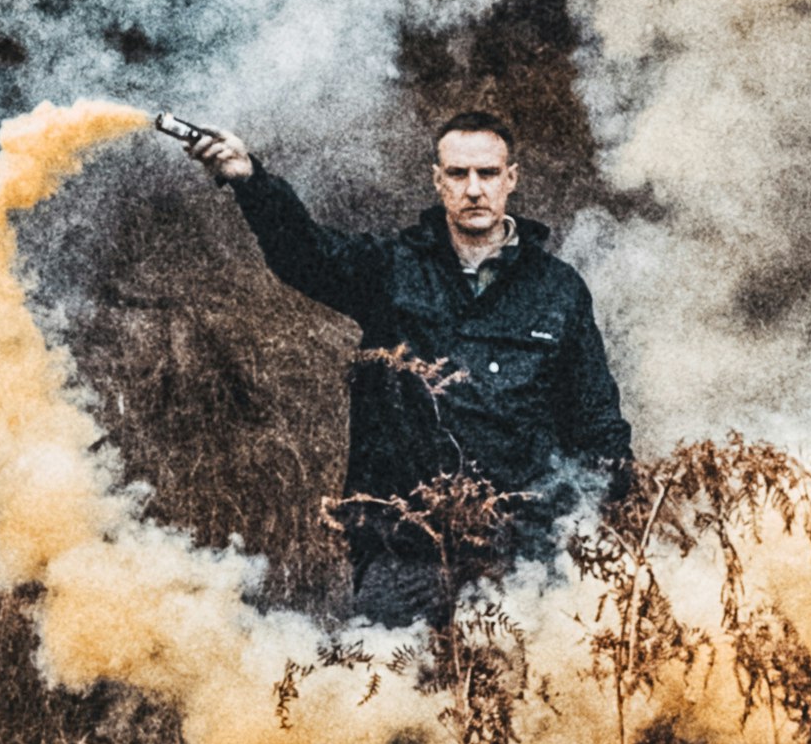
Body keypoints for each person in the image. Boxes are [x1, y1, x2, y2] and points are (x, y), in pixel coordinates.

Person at [169, 103, 630, 622]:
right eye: (458, 173)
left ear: (511, 179)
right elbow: (307, 255)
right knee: (390, 694)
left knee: (514, 699)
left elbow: (597, 425)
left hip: (520, 558)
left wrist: (590, 534)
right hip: (401, 553)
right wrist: (250, 181)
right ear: (438, 181)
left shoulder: (557, 289)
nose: (473, 188)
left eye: (487, 173)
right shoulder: (393, 269)